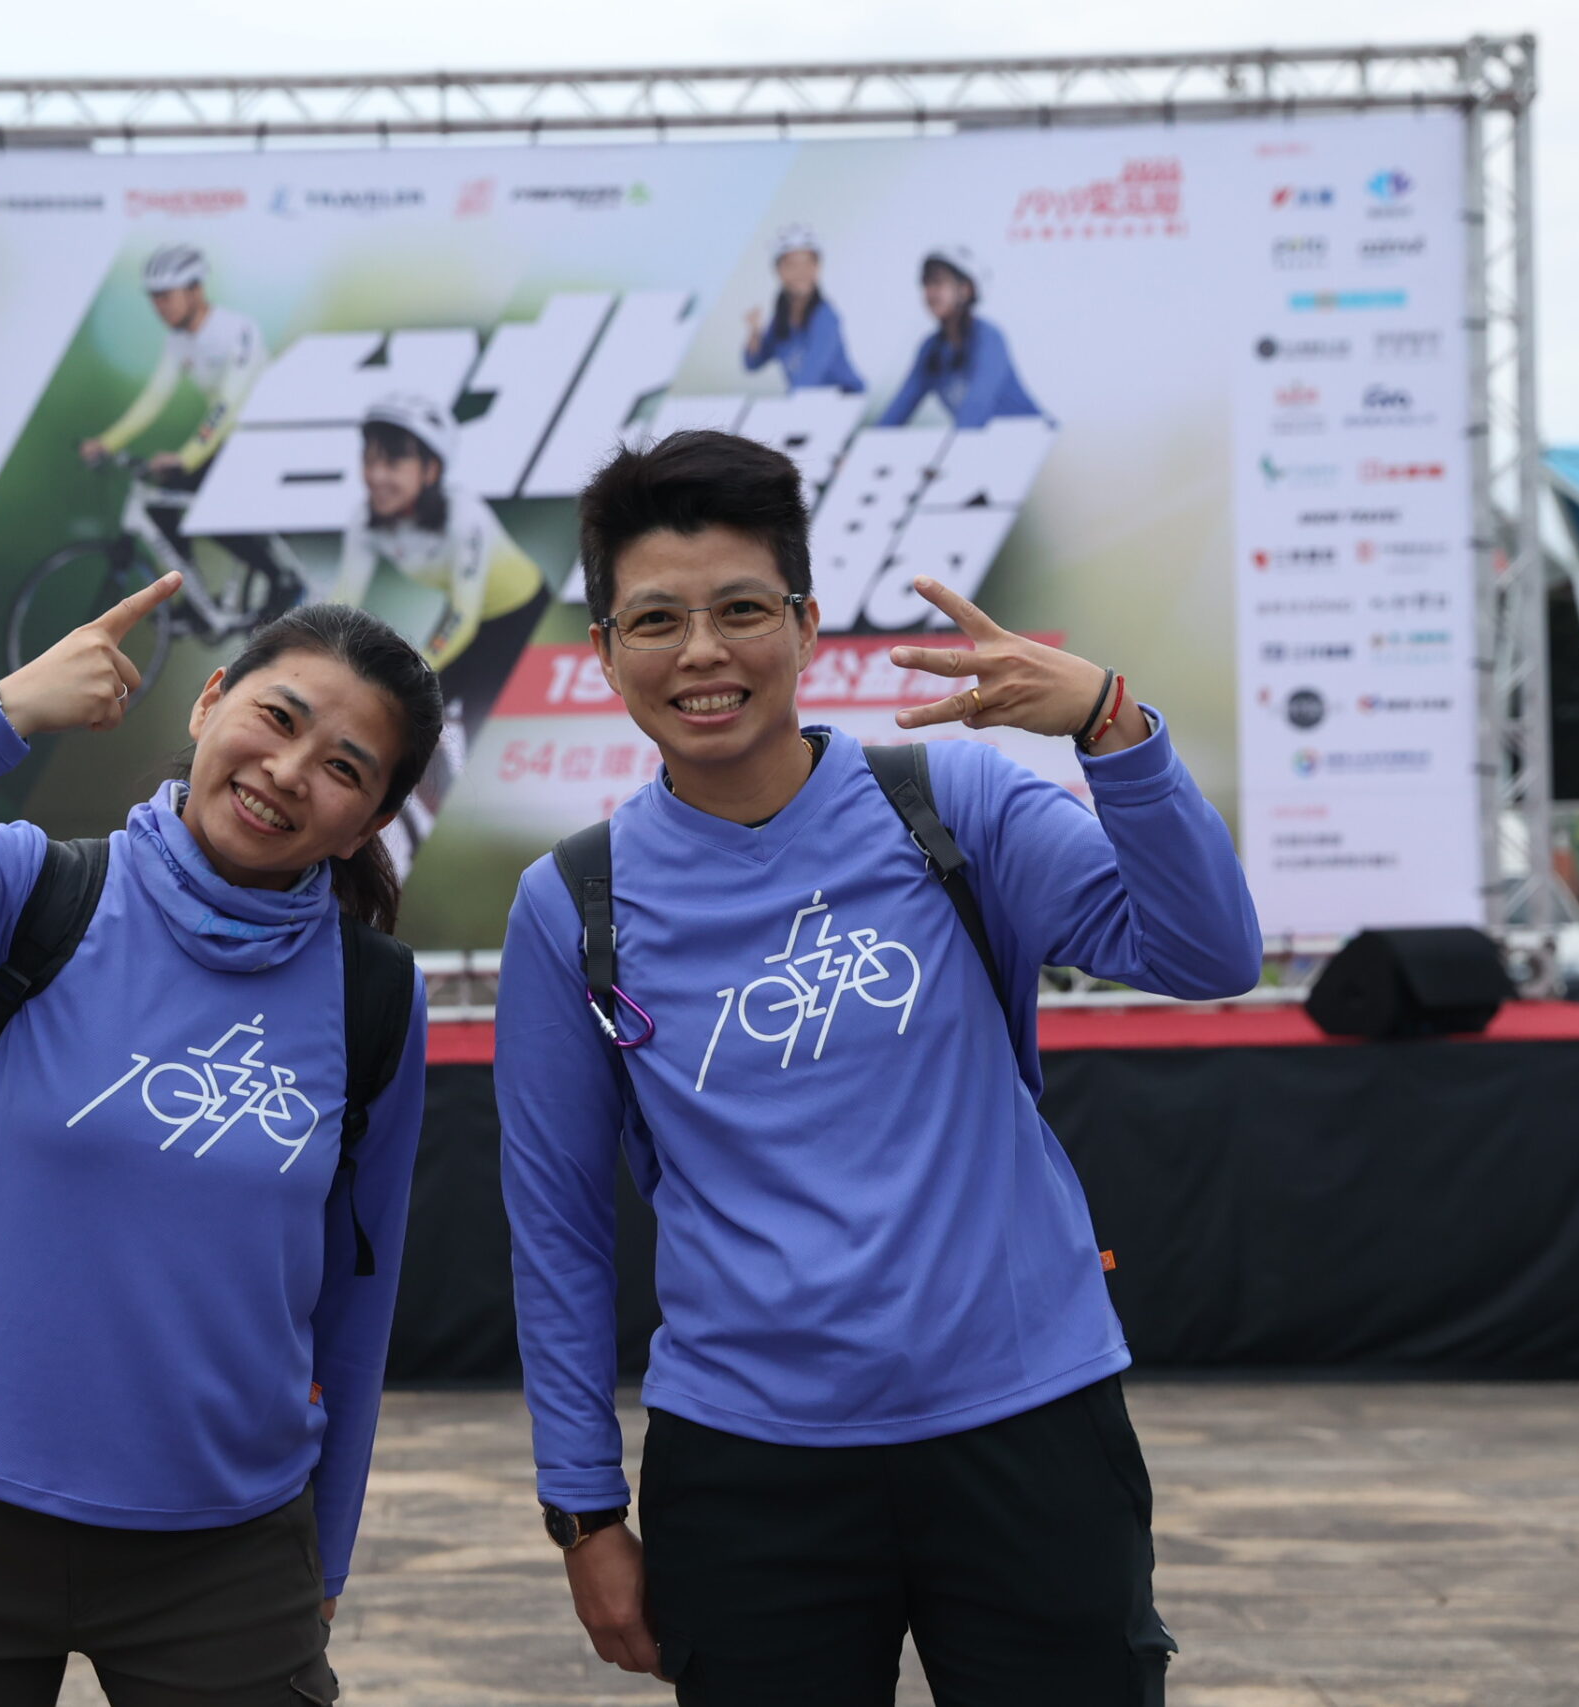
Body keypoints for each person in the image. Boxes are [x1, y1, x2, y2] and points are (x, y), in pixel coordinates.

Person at [494, 430, 1262, 1705]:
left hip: (1028, 1425)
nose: (702, 652)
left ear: (803, 626)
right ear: (605, 652)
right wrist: (583, 1511)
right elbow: (557, 1225)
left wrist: (1110, 726)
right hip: (747, 1464)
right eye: (657, 620)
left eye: (743, 610)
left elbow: (1206, 952)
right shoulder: (573, 900)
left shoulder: (952, 807)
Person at [0, 583, 445, 1706]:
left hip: (226, 1547)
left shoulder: (374, 997)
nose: (286, 770)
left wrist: (328, 1549)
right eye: (276, 717)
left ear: (366, 824)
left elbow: (357, 1299)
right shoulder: (26, 894)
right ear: (208, 702)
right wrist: (4, 710)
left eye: (343, 767)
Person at [325, 391, 549, 877]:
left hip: (520, 616)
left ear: (430, 470)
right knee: (414, 718)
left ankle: (495, 840)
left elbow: (462, 618)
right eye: (370, 460)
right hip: (470, 622)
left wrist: (414, 670)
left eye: (394, 462)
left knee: (482, 728)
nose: (377, 475)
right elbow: (342, 598)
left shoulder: (464, 517)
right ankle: (445, 819)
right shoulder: (367, 519)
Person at [80, 244, 279, 583]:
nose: (159, 306)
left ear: (195, 290)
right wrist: (107, 442)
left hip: (263, 437)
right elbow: (154, 398)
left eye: (166, 295)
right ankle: (191, 594)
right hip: (227, 441)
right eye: (153, 297)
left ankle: (278, 580)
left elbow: (227, 404)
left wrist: (186, 458)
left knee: (208, 514)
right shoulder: (178, 340)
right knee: (161, 509)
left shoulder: (238, 330)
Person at [878, 244, 1048, 429]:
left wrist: (951, 444)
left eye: (938, 282)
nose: (929, 292)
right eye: (925, 283)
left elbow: (976, 407)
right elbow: (898, 410)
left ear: (966, 289)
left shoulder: (989, 338)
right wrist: (868, 443)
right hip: (986, 443)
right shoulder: (931, 350)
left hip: (1039, 439)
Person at [739, 225, 865, 395]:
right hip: (808, 400)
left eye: (808, 263)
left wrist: (790, 405)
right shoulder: (781, 318)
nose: (801, 272)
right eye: (792, 265)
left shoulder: (825, 317)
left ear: (817, 267)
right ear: (778, 270)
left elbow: (810, 375)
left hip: (843, 398)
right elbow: (752, 363)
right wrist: (755, 332)